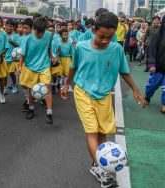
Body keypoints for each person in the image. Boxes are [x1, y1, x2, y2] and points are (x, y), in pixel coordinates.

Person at [60, 12, 146, 188]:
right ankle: (101, 169)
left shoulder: (116, 50)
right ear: (94, 30)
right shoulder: (82, 47)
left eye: (110, 36)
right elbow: (74, 67)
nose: (106, 40)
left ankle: (96, 163)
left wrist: (136, 90)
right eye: (102, 36)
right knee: (91, 131)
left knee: (102, 133)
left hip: (105, 95)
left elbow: (123, 71)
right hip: (83, 93)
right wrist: (66, 84)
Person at [19, 17, 54, 124]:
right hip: (30, 67)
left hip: (44, 66)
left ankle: (49, 113)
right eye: (38, 32)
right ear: (34, 28)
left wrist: (51, 56)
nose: (40, 34)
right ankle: (31, 109)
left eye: (42, 32)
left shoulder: (48, 35)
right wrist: (20, 66)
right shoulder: (27, 39)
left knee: (47, 88)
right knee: (31, 89)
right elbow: (22, 54)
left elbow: (49, 48)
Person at [145, 15, 165, 114]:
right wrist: (152, 64)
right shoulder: (158, 35)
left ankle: (164, 105)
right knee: (152, 86)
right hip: (158, 67)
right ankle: (147, 96)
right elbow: (152, 50)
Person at [18, 18, 33, 112]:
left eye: (26, 28)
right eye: (23, 28)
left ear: (32, 28)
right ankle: (27, 100)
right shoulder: (21, 38)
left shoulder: (33, 38)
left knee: (32, 85)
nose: (24, 30)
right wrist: (20, 65)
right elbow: (21, 53)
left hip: (32, 65)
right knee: (23, 83)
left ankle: (38, 99)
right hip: (24, 64)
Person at [4, 19, 19, 95]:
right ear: (5, 26)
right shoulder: (3, 35)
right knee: (4, 75)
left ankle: (14, 85)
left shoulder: (15, 36)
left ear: (13, 27)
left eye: (11, 26)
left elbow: (18, 46)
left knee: (12, 73)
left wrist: (12, 42)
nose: (9, 28)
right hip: (4, 57)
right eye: (8, 26)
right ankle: (4, 88)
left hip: (12, 58)